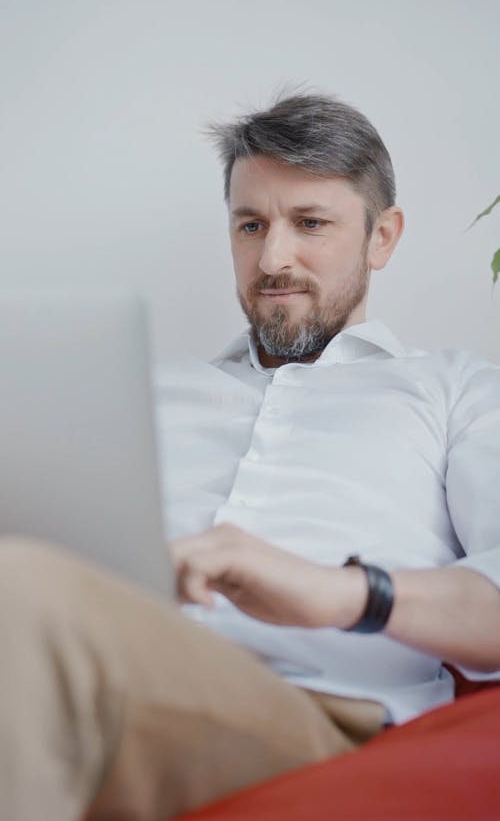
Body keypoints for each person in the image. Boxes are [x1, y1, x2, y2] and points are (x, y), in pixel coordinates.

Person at [1, 92, 500, 821]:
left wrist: (343, 591)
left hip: (318, 718)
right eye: (250, 224)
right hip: (102, 656)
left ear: (382, 237)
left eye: (310, 224)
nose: (272, 259)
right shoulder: (137, 385)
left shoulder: (454, 389)